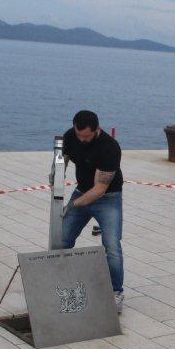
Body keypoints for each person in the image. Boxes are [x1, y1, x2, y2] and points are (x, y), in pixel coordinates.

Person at [60, 110, 125, 313]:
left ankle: (116, 292)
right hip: (81, 191)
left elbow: (99, 189)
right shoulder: (70, 136)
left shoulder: (109, 147)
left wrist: (72, 205)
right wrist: (56, 174)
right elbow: (64, 159)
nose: (82, 140)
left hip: (107, 198)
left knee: (112, 245)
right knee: (62, 239)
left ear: (97, 129)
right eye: (79, 135)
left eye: (86, 136)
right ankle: (57, 281)